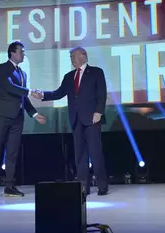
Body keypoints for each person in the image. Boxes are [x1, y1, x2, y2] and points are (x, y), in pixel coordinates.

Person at [32, 47, 108, 196]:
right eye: (71, 57)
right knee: (80, 155)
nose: (72, 59)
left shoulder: (96, 72)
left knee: (96, 153)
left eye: (74, 55)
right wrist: (42, 95)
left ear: (83, 55)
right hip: (76, 119)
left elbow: (102, 93)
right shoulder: (69, 76)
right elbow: (58, 93)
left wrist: (98, 112)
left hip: (92, 118)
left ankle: (102, 186)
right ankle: (83, 187)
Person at [0, 41, 46, 198]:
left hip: (17, 118)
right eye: (21, 51)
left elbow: (21, 97)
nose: (23, 54)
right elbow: (8, 87)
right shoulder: (2, 68)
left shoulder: (22, 74)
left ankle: (9, 186)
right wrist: (31, 91)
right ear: (12, 53)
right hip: (2, 116)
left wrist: (34, 114)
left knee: (12, 153)